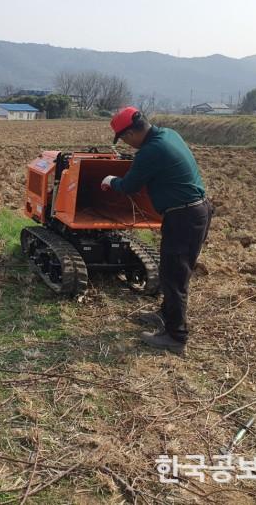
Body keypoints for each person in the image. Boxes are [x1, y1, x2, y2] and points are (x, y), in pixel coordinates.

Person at [101, 107, 213, 354]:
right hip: (196, 211)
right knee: (171, 271)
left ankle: (176, 337)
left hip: (184, 216)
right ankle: (165, 315)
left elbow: (129, 186)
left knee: (174, 277)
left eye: (125, 139)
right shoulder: (169, 134)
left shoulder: (150, 151)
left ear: (131, 133)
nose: (127, 144)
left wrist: (110, 181)